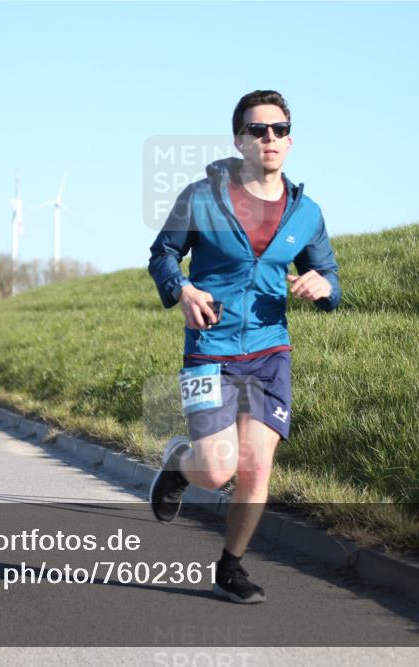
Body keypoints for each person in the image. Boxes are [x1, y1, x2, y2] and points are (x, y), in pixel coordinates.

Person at [147, 90, 341, 604]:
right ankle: (179, 465)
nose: (269, 138)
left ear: (290, 141)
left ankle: (230, 567)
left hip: (269, 352)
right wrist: (182, 290)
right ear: (239, 141)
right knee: (216, 471)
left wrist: (324, 286)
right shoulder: (201, 197)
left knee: (255, 468)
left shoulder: (306, 213)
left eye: (279, 129)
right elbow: (163, 254)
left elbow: (329, 276)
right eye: (258, 130)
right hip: (209, 348)